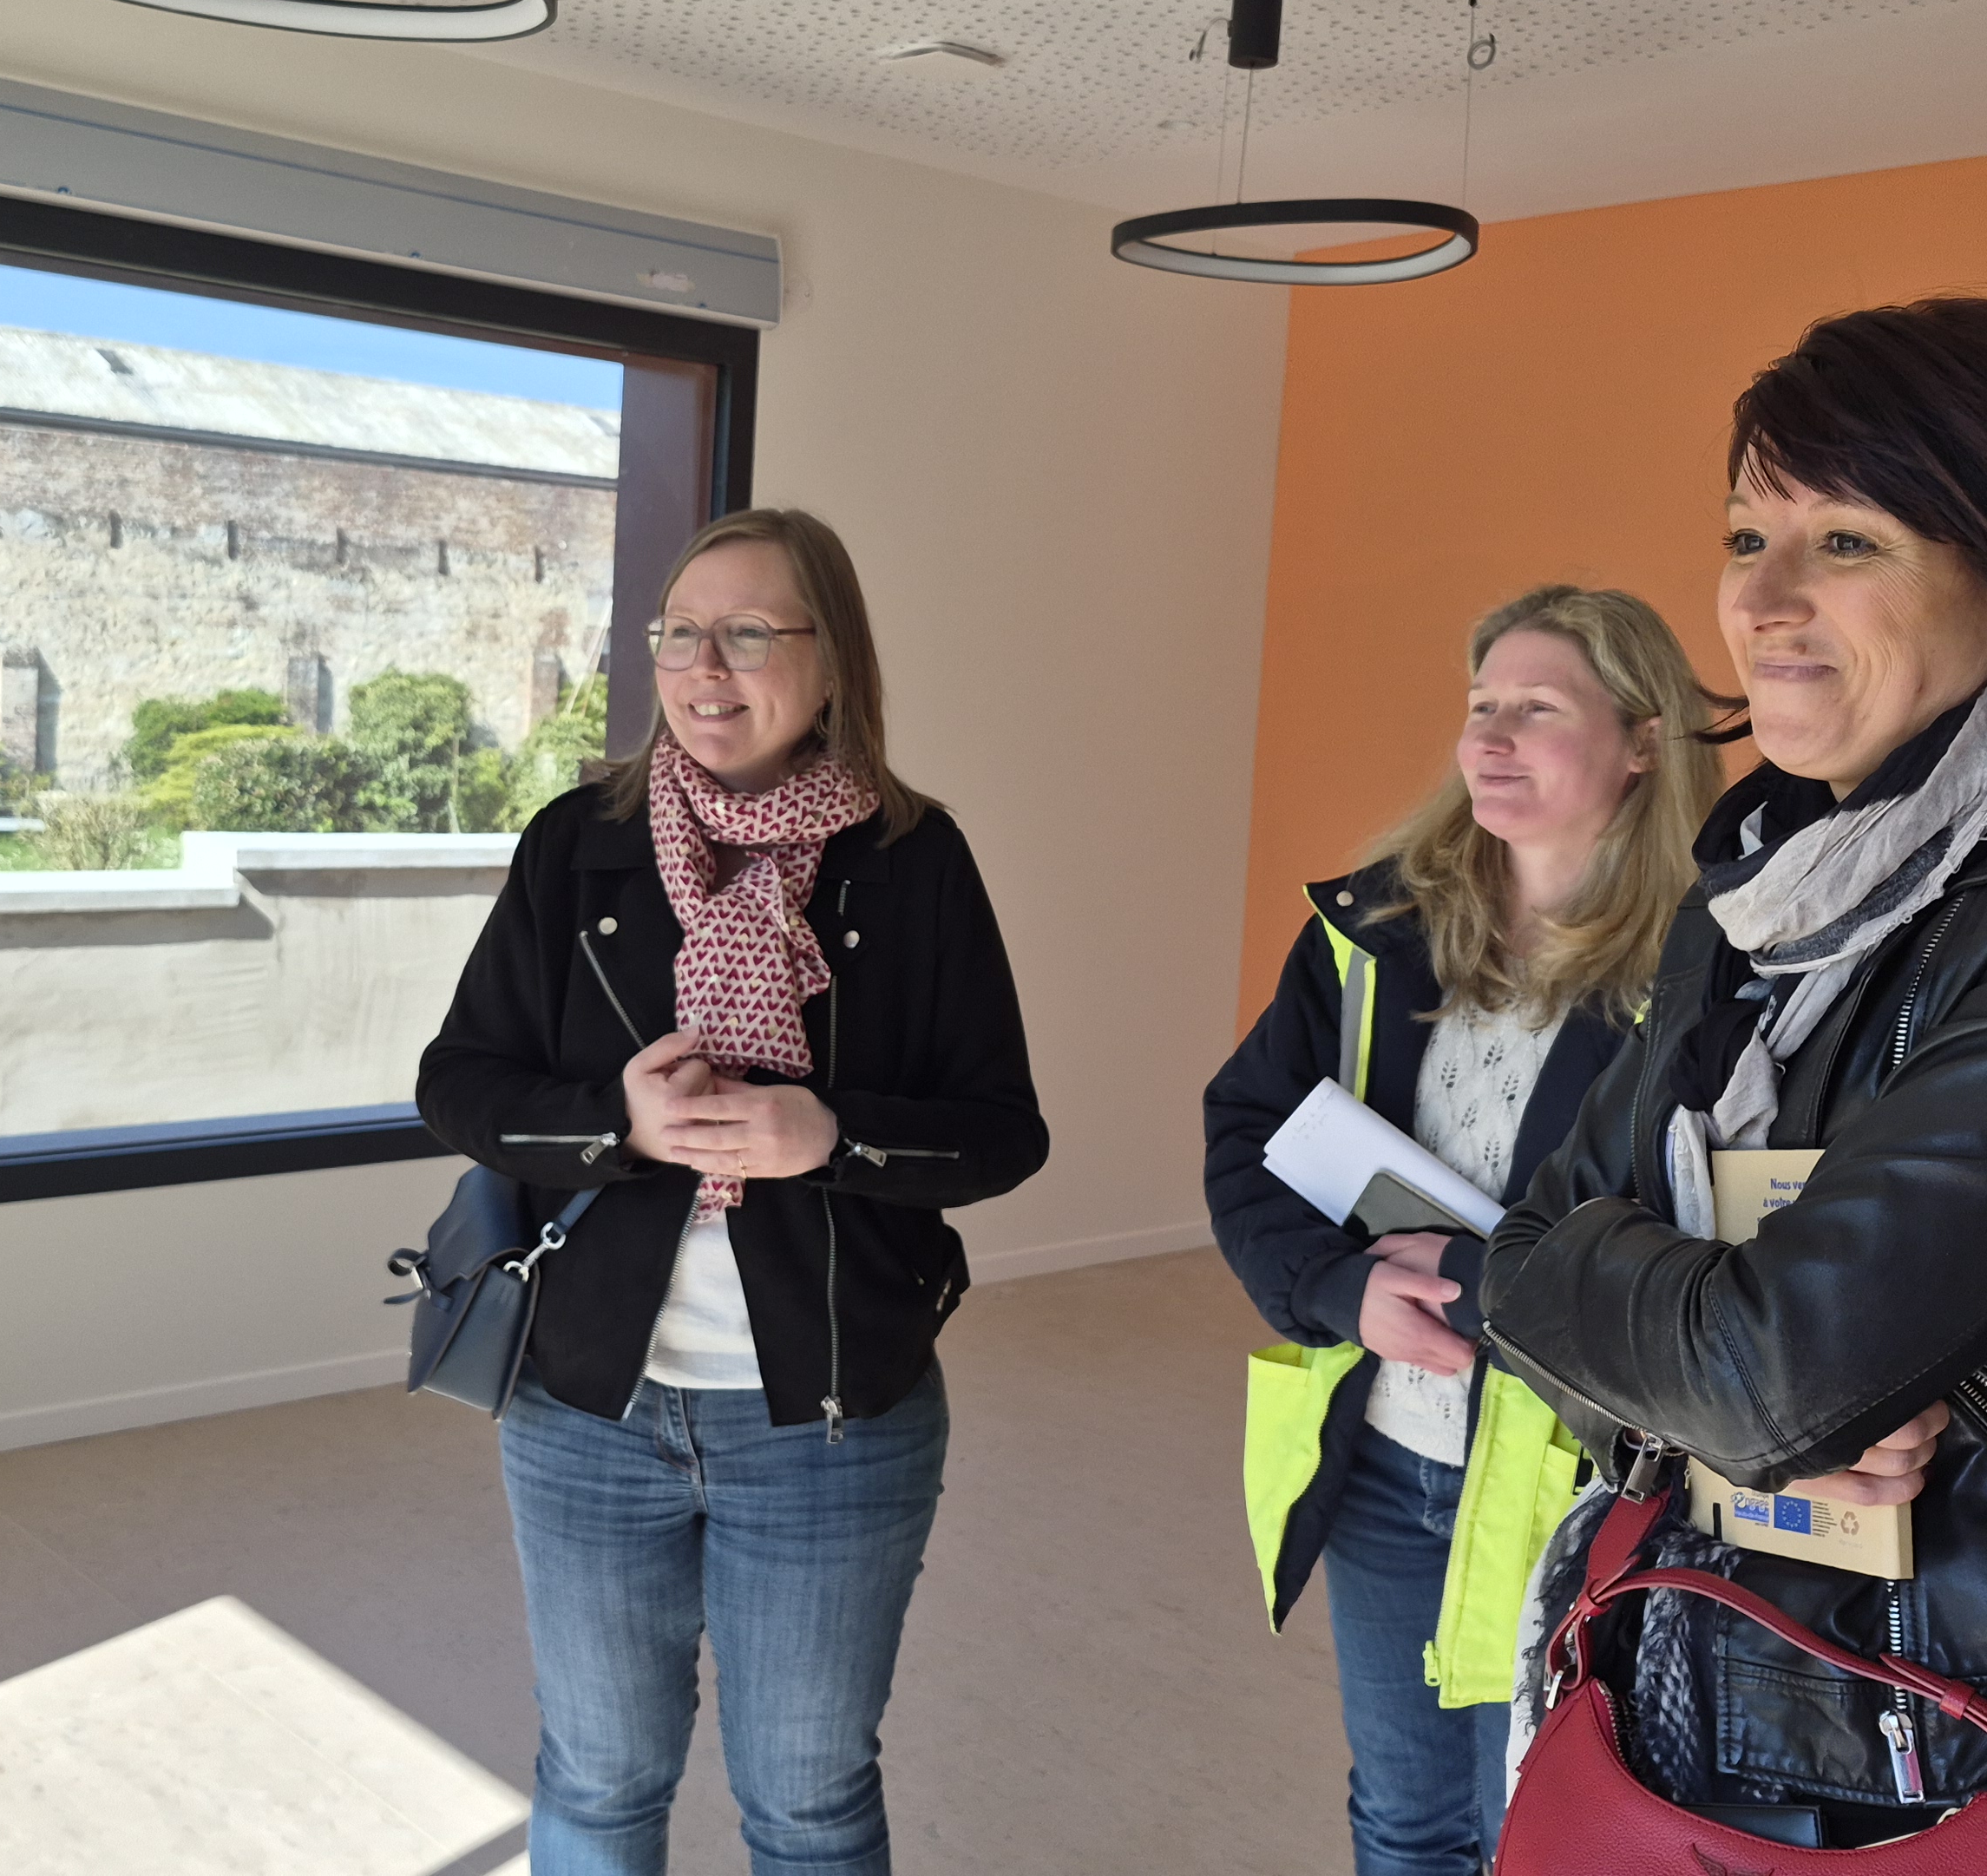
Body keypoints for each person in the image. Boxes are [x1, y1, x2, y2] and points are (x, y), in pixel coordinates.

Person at [1479, 298, 1987, 1875]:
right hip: (1677, 1665)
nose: (1760, 600)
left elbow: (1768, 1374)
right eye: (1748, 533)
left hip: (1952, 1755)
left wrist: (1694, 1350)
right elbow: (1516, 1269)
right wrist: (1698, 1352)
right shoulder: (1756, 883)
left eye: (1850, 540)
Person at [417, 507, 1048, 1876]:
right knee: (594, 1781)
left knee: (810, 1801)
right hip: (586, 1406)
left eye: (751, 632)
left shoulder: (914, 859)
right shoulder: (578, 843)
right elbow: (458, 1083)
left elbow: (1004, 1134)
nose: (708, 666)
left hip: (828, 1420)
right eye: (681, 633)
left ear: (831, 663)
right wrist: (616, 1126)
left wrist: (835, 1137)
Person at [1204, 585, 1727, 1875]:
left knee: (1543, 1831)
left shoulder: (1710, 970)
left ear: (1644, 741)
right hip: (1385, 1456)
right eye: (1480, 705)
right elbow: (1247, 1132)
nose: (1489, 738)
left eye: (1536, 710)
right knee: (1405, 1817)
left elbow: (1719, 1245)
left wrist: (1493, 1295)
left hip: (1576, 1487)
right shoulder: (1374, 932)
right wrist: (1334, 1289)